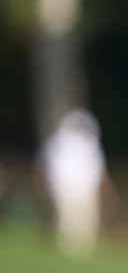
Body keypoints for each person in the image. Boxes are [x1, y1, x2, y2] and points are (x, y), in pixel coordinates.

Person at [35, 107, 115, 257]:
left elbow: (98, 170)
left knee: (86, 234)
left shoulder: (90, 146)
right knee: (67, 231)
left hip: (85, 193)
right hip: (64, 190)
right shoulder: (58, 142)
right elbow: (44, 164)